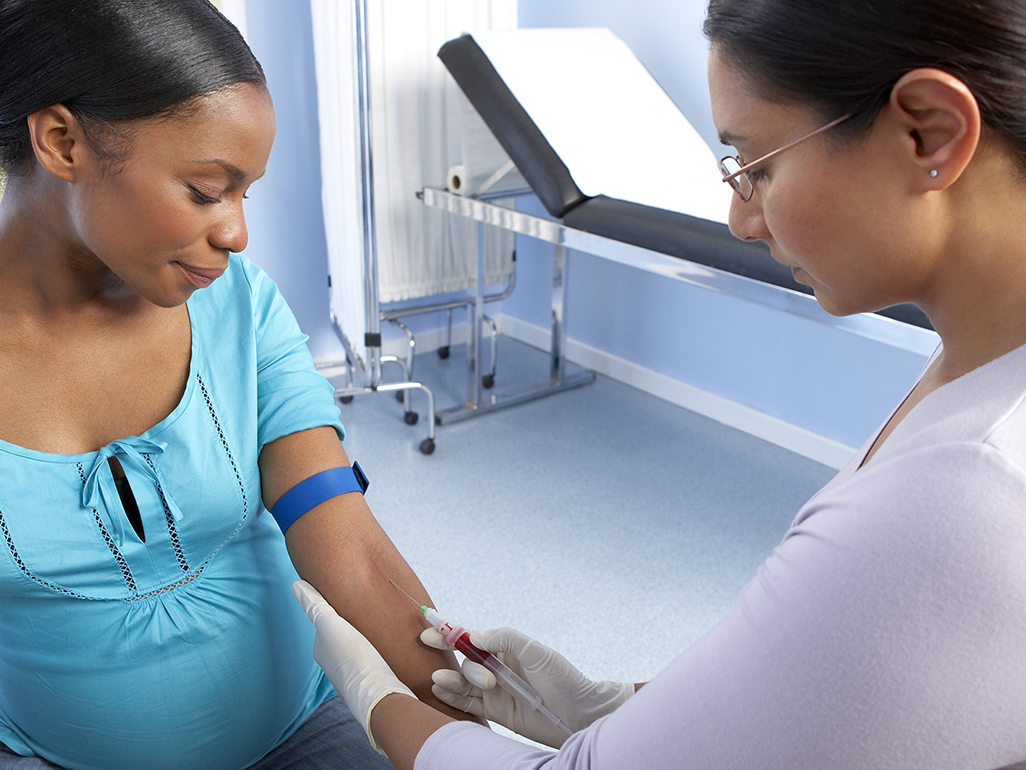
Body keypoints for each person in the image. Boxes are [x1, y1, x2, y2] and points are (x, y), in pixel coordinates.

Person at [292, 0, 1026, 767]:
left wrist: (381, 701)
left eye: (760, 166)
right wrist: (616, 708)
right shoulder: (978, 361)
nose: (741, 219)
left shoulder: (970, 485)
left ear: (929, 132)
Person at [0, 1, 473, 768]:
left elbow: (341, 538)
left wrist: (471, 718)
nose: (236, 233)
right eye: (205, 190)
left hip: (303, 729)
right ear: (61, 142)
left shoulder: (238, 302)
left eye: (244, 192)